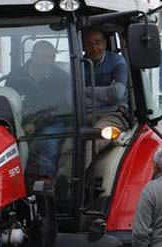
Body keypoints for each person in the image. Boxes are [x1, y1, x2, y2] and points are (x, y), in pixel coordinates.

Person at [9, 40, 71, 179]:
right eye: (44, 57)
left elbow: (58, 109)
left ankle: (45, 181)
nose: (47, 61)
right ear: (33, 55)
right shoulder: (16, 76)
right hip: (21, 121)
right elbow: (8, 100)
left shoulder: (61, 79)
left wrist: (35, 125)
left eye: (51, 57)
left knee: (48, 141)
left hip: (53, 121)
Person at [81, 28, 130, 161]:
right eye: (89, 44)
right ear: (83, 46)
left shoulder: (117, 62)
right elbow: (72, 98)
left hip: (114, 115)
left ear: (105, 43)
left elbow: (116, 93)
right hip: (85, 117)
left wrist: (86, 91)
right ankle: (62, 181)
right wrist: (106, 95)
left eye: (98, 43)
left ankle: (76, 182)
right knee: (69, 146)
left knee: (90, 143)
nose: (95, 48)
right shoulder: (79, 65)